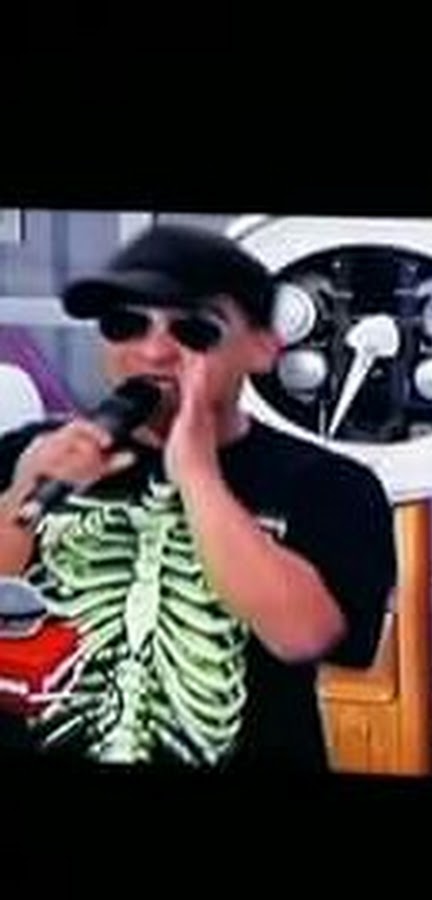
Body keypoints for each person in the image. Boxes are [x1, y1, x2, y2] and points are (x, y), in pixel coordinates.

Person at [0, 224, 396, 774]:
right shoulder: (30, 454)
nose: (154, 350)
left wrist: (199, 476)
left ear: (263, 347)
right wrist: (22, 500)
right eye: (126, 324)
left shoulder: (330, 485)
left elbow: (304, 636)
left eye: (193, 329)